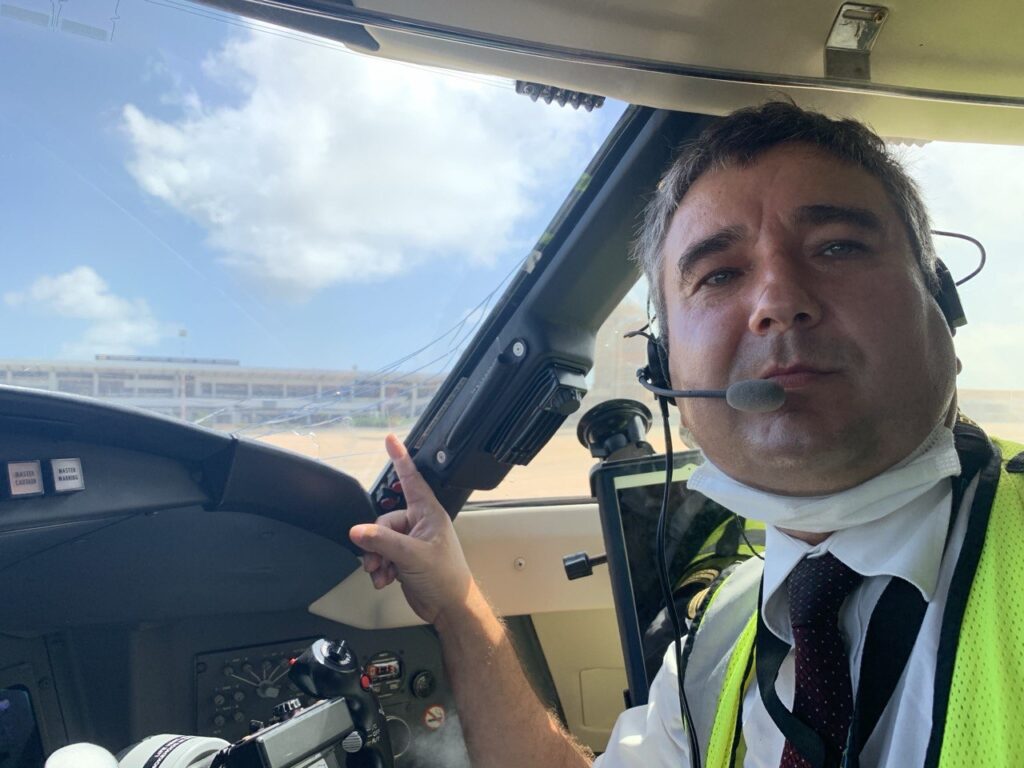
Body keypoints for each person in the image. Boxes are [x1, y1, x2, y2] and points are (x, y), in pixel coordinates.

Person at [349, 102, 1024, 768]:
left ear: (941, 304)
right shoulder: (720, 636)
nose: (778, 300)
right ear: (665, 371)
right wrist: (456, 604)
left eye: (837, 247)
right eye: (720, 274)